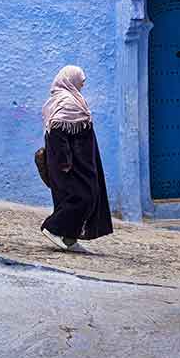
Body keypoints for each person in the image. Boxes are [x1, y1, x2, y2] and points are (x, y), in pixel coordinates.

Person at [39, 65, 114, 250]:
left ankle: (69, 238)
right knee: (82, 198)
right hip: (72, 164)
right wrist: (65, 163)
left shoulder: (73, 99)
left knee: (81, 197)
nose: (83, 82)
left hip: (82, 162)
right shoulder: (67, 101)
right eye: (80, 79)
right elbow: (57, 131)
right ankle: (53, 228)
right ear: (70, 79)